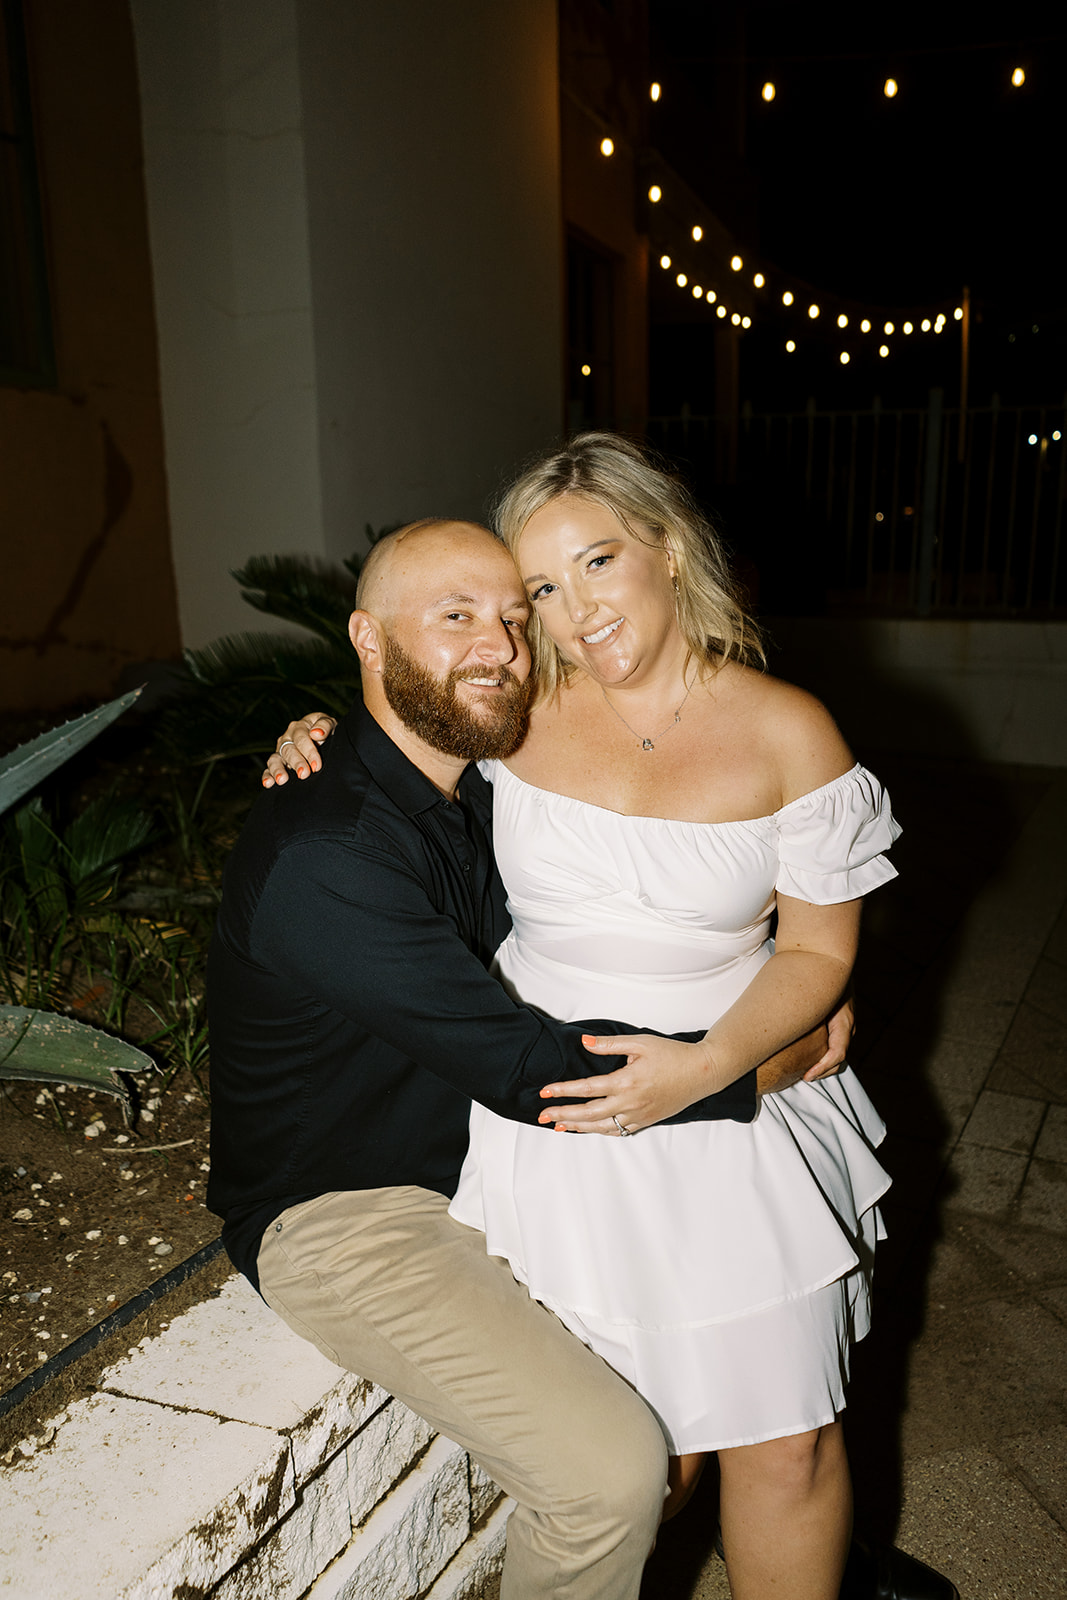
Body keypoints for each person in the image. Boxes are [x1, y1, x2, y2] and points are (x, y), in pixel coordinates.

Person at [269, 438, 959, 1600]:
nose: (574, 609)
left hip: (740, 1095)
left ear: (667, 548)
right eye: (542, 587)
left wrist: (713, 1068)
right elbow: (401, 738)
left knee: (783, 1438)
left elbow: (819, 952)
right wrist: (314, 734)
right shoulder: (521, 709)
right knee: (654, 1458)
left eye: (595, 560)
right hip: (556, 1110)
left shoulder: (792, 731)